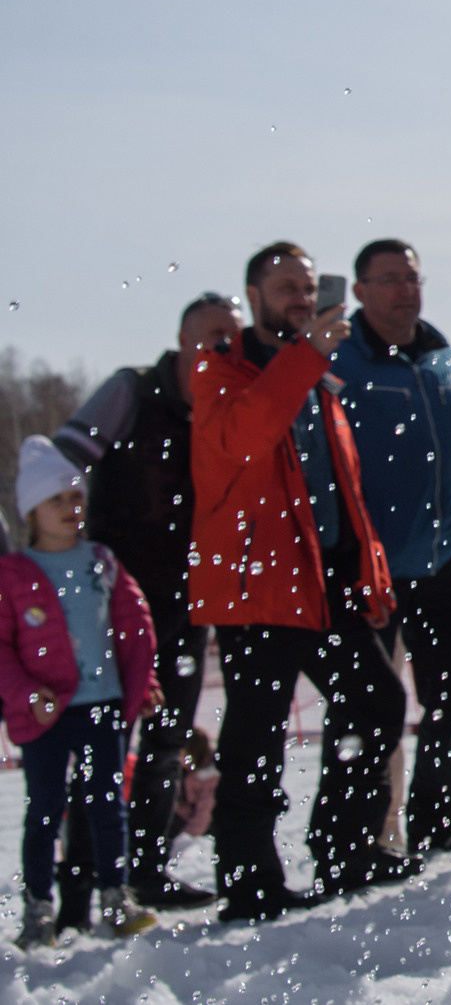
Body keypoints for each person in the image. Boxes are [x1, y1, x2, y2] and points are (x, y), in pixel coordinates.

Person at [190, 242, 411, 920]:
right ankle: (249, 880)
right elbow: (245, 436)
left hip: (324, 587)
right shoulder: (222, 370)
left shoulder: (318, 373)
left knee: (376, 704)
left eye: (307, 286)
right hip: (258, 587)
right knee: (255, 737)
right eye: (285, 285)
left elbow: (343, 488)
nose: (299, 296)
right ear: (252, 295)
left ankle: (344, 848)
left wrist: (369, 573)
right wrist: (306, 355)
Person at [50, 293, 239, 912]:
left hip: (187, 601)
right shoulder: (132, 391)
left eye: (230, 340)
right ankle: (81, 883)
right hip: (113, 599)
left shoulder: (229, 407)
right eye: (210, 339)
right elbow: (62, 465)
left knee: (168, 737)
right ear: (183, 342)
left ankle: (146, 871)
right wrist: (65, 555)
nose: (221, 351)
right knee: (105, 736)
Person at [332, 239, 451, 853]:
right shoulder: (341, 362)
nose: (408, 289)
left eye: (413, 277)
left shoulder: (441, 356)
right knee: (366, 708)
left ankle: (437, 815)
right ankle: (367, 834)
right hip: (369, 567)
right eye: (390, 279)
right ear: (359, 291)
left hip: (440, 557)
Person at [3, 437, 161, 947]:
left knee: (107, 805)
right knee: (45, 810)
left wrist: (147, 680)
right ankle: (39, 910)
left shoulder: (101, 561)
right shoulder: (13, 574)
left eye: (75, 497)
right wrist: (28, 692)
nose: (71, 508)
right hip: (45, 715)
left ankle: (115, 896)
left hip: (101, 706)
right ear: (31, 510)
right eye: (57, 500)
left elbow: (131, 627)